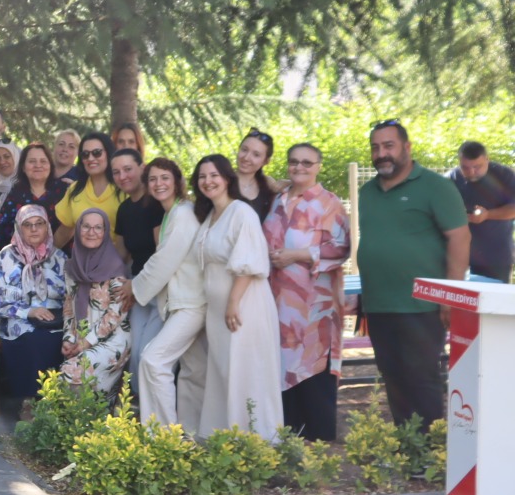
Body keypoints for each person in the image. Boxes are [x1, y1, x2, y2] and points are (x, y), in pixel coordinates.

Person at [357, 119, 470, 426]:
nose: (382, 153)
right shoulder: (367, 192)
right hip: (379, 303)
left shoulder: (436, 187)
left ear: (406, 147)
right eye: (376, 147)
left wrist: (451, 295)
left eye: (389, 145)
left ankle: (428, 451)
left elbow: (460, 238)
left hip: (422, 305)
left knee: (421, 377)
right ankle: (407, 446)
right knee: (392, 376)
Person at [265, 143, 352, 441]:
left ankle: (319, 446)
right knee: (280, 370)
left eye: (306, 162)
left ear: (318, 166)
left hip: (315, 306)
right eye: (293, 162)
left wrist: (298, 254)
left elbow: (342, 248)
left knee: (313, 371)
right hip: (276, 303)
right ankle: (287, 440)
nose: (299, 167)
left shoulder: (330, 204)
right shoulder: (277, 201)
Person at [192, 154, 283, 439]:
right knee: (223, 372)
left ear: (227, 178)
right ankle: (225, 438)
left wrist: (233, 303)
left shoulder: (241, 212)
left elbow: (249, 261)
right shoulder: (209, 216)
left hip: (244, 305)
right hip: (218, 308)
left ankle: (256, 439)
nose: (208, 181)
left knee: (246, 371)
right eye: (202, 176)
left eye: (214, 175)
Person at [131, 158, 207, 434]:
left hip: (192, 303)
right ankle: (191, 433)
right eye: (153, 179)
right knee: (192, 372)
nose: (158, 184)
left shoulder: (184, 213)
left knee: (153, 359)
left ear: (177, 181)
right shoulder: (170, 214)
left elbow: (165, 260)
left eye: (165, 178)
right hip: (182, 303)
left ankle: (162, 437)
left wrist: (134, 287)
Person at [0, 205, 68, 401]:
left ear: (47, 227)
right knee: (31, 340)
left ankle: (51, 401)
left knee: (53, 340)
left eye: (39, 224)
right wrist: (29, 312)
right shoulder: (6, 256)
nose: (34, 229)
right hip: (17, 318)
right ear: (19, 228)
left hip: (54, 320)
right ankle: (28, 401)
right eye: (27, 225)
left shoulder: (59, 257)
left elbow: (72, 295)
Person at [59, 208, 132, 393]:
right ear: (78, 230)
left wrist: (86, 343)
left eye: (98, 228)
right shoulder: (71, 268)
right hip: (80, 339)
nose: (92, 233)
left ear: (106, 232)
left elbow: (117, 313)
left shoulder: (115, 267)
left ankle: (77, 421)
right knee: (76, 379)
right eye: (86, 227)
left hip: (111, 340)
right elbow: (69, 307)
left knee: (71, 371)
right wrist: (68, 339)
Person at [111, 147, 166, 372]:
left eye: (128, 169)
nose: (122, 176)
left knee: (148, 353)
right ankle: (136, 404)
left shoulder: (156, 203)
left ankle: (155, 407)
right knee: (132, 352)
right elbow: (121, 255)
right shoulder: (124, 209)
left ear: (142, 168)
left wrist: (135, 284)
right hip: (136, 288)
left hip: (160, 287)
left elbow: (161, 254)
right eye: (116, 172)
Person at [448, 140, 515, 282]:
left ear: (487, 159)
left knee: (494, 301)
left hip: (496, 258)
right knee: (460, 302)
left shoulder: (504, 175)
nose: (471, 172)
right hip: (459, 257)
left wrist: (488, 215)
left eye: (477, 167)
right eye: (465, 167)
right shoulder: (451, 178)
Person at [0, 142, 61, 265]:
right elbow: (2, 225)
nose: (38, 165)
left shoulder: (62, 190)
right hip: (21, 259)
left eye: (43, 161)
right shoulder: (16, 191)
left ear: (50, 165)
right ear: (23, 166)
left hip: (56, 258)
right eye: (32, 161)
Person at [54, 132, 123, 247]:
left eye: (97, 153)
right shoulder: (75, 189)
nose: (90, 158)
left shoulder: (123, 189)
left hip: (119, 262)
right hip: (83, 262)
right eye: (85, 154)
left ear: (109, 153)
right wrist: (44, 258)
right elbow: (64, 233)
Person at [235, 128, 283, 221]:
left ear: (266, 161)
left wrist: (289, 183)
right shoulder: (221, 181)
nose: (246, 157)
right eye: (244, 150)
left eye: (256, 155)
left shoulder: (268, 187)